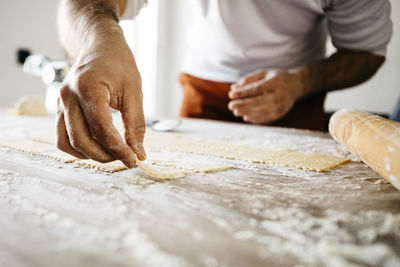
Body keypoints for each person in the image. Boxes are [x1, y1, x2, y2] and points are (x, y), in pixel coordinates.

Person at [56, 0, 392, 168]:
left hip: (295, 98)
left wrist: (302, 81)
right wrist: (96, 41)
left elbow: (368, 51)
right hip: (201, 91)